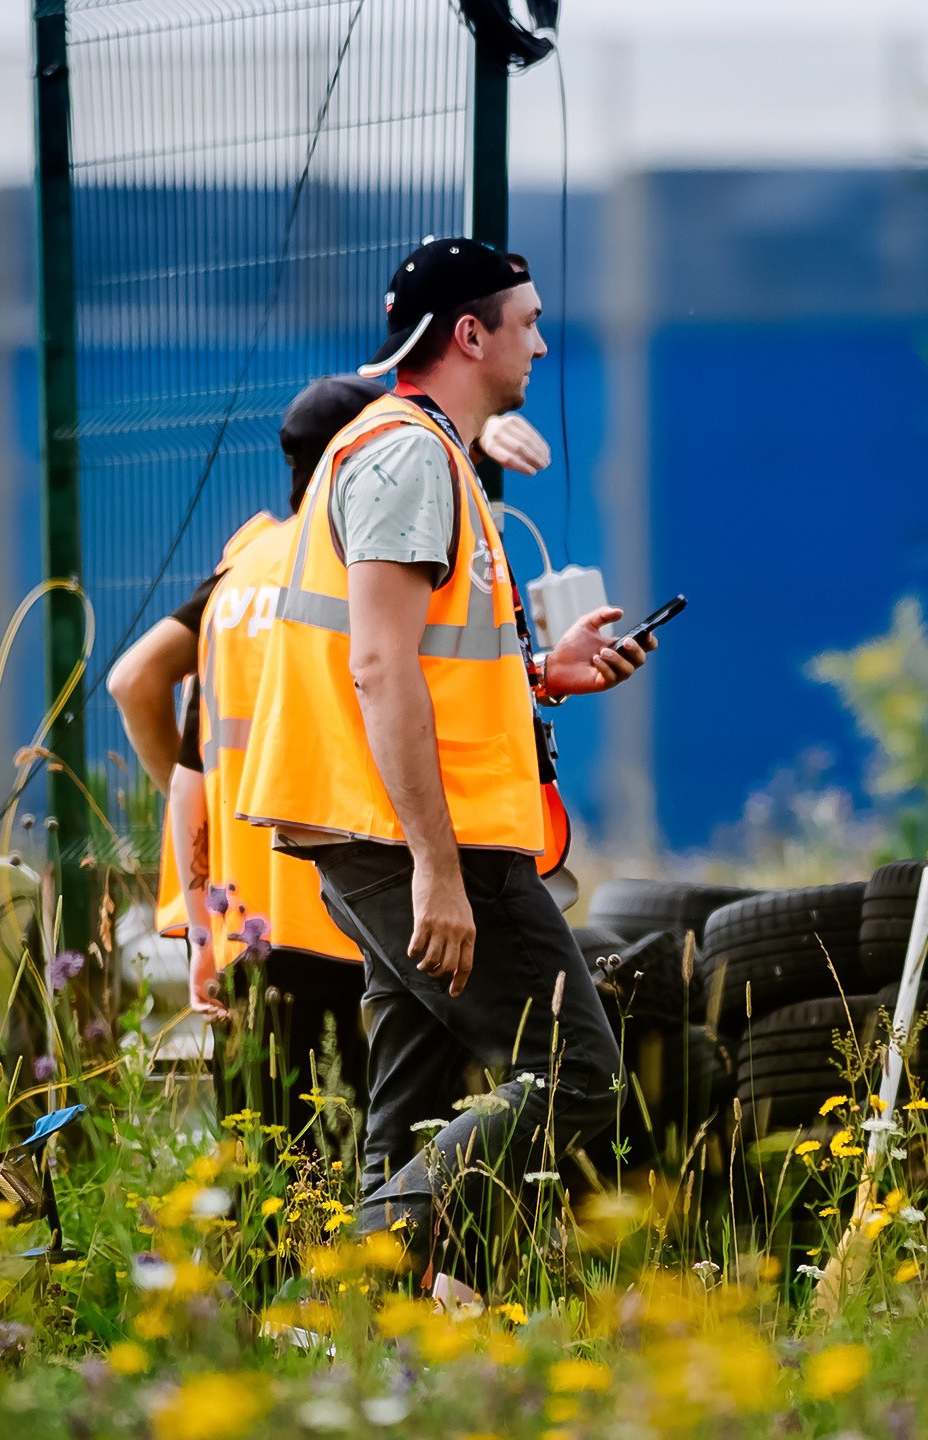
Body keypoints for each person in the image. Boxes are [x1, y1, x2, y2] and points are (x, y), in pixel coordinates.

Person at [238, 238, 650, 1295]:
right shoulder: (410, 457)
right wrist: (434, 865)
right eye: (528, 323)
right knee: (574, 1073)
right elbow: (376, 666)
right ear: (469, 336)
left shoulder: (417, 456)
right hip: (417, 836)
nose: (542, 344)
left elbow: (423, 661)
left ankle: (373, 1335)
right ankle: (342, 1274)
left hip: (401, 828)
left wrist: (543, 675)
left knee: (415, 1096)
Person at [106, 377, 554, 1141]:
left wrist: (207, 897)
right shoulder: (351, 566)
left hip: (245, 911)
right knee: (403, 1132)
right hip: (364, 895)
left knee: (266, 1164)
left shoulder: (241, 575)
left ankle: (273, 1268)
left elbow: (164, 724)